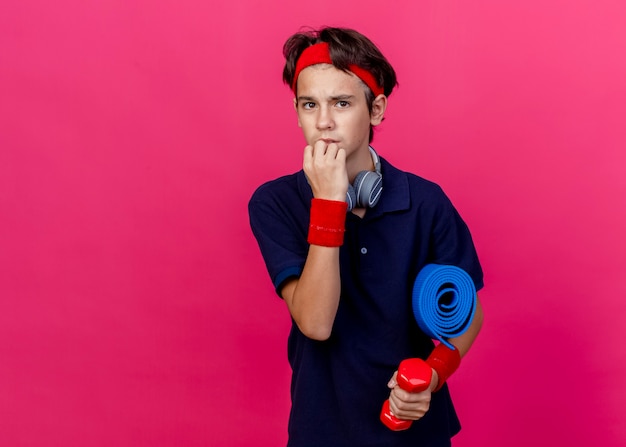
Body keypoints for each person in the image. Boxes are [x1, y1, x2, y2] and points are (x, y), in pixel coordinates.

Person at [248, 26, 484, 447]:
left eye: (341, 103)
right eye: (309, 104)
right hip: (322, 428)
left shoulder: (425, 202)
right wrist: (329, 202)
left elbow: (469, 313)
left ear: (375, 110)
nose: (323, 121)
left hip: (416, 432)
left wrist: (434, 374)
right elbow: (316, 323)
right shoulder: (274, 202)